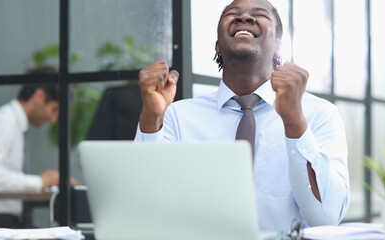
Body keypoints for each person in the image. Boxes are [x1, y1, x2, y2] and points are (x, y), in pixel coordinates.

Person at [135, 0, 349, 232]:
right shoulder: (178, 116)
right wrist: (151, 118)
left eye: (258, 14)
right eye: (233, 14)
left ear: (278, 47)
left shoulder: (319, 114)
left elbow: (327, 218)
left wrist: (294, 121)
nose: (244, 18)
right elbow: (146, 206)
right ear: (217, 46)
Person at [0, 66, 78, 228]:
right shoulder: (4, 121)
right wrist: (40, 182)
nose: (53, 119)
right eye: (54, 109)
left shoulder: (13, 123)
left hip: (5, 219)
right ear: (39, 96)